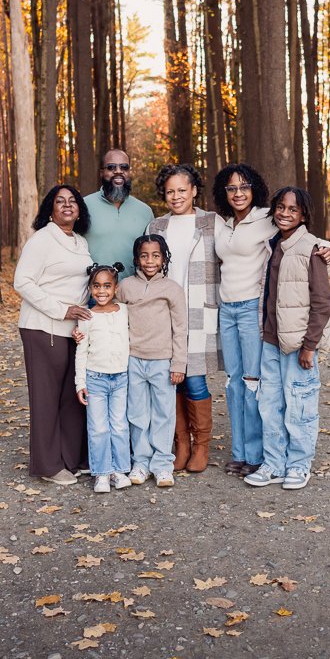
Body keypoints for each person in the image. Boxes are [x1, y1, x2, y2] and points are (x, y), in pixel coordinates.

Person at [213, 163, 330, 477]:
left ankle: (258, 456)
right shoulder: (221, 224)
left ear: (254, 189)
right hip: (227, 310)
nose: (238, 193)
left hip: (253, 310)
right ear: (223, 193)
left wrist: (327, 249)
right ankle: (242, 453)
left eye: (244, 187)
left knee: (255, 386)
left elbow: (304, 237)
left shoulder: (265, 219)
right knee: (234, 384)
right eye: (231, 188)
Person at [245, 187, 330, 491]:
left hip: (298, 346)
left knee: (299, 406)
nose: (285, 213)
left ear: (304, 214)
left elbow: (323, 303)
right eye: (281, 207)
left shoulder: (312, 249)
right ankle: (274, 463)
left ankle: (298, 464)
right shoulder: (273, 245)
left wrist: (309, 346)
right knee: (270, 405)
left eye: (293, 209)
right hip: (270, 341)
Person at [13, 185, 94, 486]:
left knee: (70, 397)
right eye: (60, 201)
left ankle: (69, 458)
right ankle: (48, 466)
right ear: (50, 209)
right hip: (42, 327)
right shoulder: (42, 240)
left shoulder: (80, 242)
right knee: (46, 399)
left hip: (70, 331)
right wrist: (62, 309)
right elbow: (22, 281)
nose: (67, 205)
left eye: (73, 201)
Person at [145, 163, 220, 473]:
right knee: (169, 379)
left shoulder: (212, 223)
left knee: (194, 378)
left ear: (194, 191)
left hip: (200, 310)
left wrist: (322, 246)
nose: (176, 196)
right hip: (164, 315)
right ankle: (182, 443)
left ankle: (201, 445)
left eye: (182, 190)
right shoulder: (156, 227)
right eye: (170, 191)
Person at [117, 235, 187, 488]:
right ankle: (141, 463)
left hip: (163, 361)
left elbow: (180, 329)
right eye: (144, 255)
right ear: (136, 258)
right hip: (133, 359)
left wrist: (179, 364)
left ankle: (162, 465)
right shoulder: (125, 287)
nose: (149, 261)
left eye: (155, 255)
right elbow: (115, 321)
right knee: (137, 413)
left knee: (163, 414)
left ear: (164, 258)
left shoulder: (172, 289)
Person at [74, 263, 131, 494]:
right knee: (98, 427)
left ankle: (119, 470)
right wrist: (80, 383)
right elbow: (81, 351)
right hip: (95, 378)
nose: (101, 291)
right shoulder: (87, 316)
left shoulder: (124, 310)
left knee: (118, 425)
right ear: (90, 288)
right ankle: (101, 473)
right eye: (96, 286)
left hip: (121, 377)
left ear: (115, 287)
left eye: (107, 285)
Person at [83, 148, 153, 280]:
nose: (118, 171)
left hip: (133, 294)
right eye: (111, 167)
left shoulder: (145, 211)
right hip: (93, 293)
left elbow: (152, 254)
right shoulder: (83, 205)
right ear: (102, 173)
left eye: (124, 167)